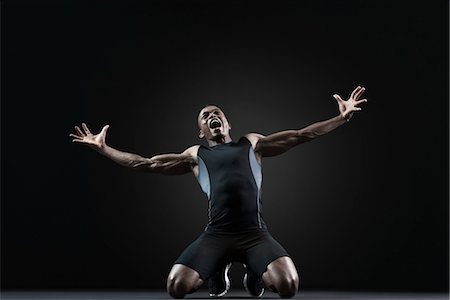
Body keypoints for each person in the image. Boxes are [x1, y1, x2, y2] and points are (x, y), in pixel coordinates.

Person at [70, 86, 367, 299]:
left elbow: (301, 135)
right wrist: (103, 148)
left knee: (288, 286)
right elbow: (144, 163)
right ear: (202, 130)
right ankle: (215, 270)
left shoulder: (251, 144)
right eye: (205, 116)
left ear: (226, 123)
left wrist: (340, 118)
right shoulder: (195, 155)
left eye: (217, 113)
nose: (212, 116)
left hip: (255, 235)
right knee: (176, 288)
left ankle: (254, 272)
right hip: (216, 235)